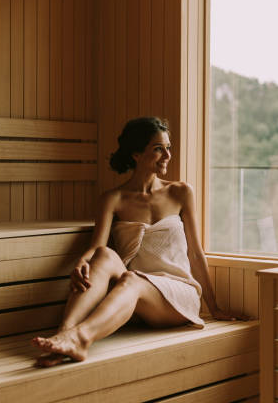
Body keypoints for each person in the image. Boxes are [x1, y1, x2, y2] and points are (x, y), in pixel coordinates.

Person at [31, 117, 247, 367]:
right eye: (158, 149)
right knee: (103, 254)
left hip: (177, 295)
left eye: (168, 147)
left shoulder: (180, 192)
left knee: (132, 279)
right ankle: (64, 334)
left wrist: (215, 307)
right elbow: (96, 248)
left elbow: (196, 254)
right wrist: (82, 261)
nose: (167, 155)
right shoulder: (113, 199)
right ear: (136, 154)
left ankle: (80, 338)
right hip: (133, 293)